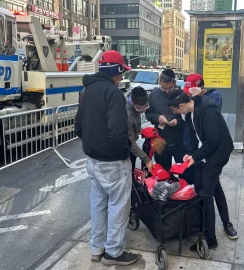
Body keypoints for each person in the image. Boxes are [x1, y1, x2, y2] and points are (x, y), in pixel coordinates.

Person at [75, 50, 138, 266]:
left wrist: (92, 146)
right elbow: (118, 131)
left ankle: (97, 249)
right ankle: (113, 252)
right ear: (116, 71)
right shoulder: (113, 93)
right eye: (122, 72)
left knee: (98, 206)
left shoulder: (87, 90)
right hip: (113, 162)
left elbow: (78, 127)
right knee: (119, 207)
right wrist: (122, 156)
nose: (122, 77)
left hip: (93, 161)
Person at [167, 90, 238, 251]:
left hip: (217, 155)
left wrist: (195, 157)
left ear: (181, 105)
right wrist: (190, 153)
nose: (176, 114)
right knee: (214, 188)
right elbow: (193, 138)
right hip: (204, 156)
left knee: (206, 195)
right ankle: (225, 223)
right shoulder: (189, 114)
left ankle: (210, 239)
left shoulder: (208, 110)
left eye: (176, 110)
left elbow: (213, 141)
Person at [145, 69, 185, 170]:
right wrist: (157, 118)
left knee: (185, 172)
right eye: (164, 89)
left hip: (179, 141)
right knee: (163, 171)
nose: (167, 91)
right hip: (160, 140)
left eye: (170, 88)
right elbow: (149, 114)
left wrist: (178, 121)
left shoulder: (182, 94)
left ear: (174, 83)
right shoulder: (154, 94)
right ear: (160, 83)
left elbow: (189, 117)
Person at [127, 86, 153, 172]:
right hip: (126, 150)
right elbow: (130, 143)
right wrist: (146, 159)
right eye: (139, 108)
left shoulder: (135, 109)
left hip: (131, 147)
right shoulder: (127, 115)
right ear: (132, 101)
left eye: (144, 107)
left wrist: (140, 129)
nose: (142, 111)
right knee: (129, 174)